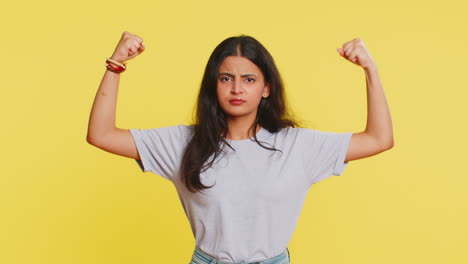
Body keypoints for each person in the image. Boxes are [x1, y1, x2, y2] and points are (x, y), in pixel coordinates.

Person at [86, 31, 394, 264]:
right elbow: (101, 134)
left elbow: (379, 139)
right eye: (226, 78)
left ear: (266, 88)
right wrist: (116, 66)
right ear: (214, 85)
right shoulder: (183, 143)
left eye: (249, 79)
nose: (236, 88)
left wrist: (371, 70)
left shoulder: (297, 145)